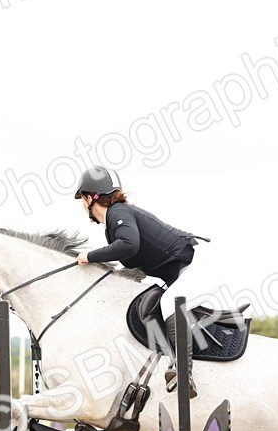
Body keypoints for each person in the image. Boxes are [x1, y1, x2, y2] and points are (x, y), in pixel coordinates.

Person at [73, 166, 205, 395]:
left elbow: (129, 245)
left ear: (89, 197)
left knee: (169, 302)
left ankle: (184, 372)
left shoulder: (118, 213)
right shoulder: (115, 223)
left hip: (200, 263)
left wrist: (89, 256)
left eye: (82, 200)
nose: (83, 206)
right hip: (184, 269)